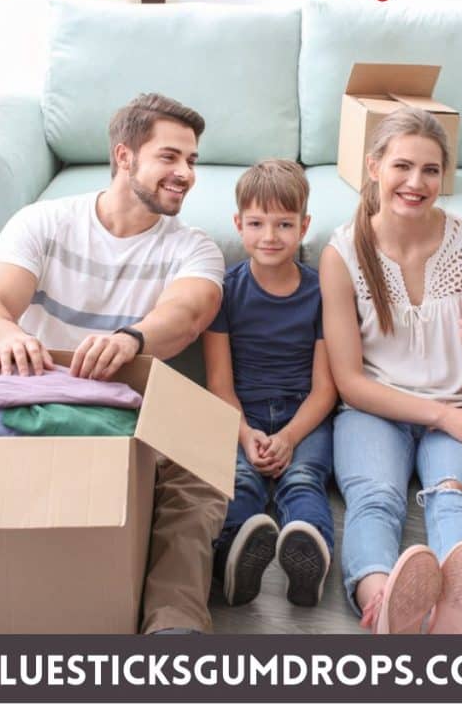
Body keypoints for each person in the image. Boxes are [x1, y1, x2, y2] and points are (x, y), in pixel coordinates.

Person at [0, 92, 228, 635]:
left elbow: (188, 312)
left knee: (198, 482)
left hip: (132, 408)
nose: (185, 173)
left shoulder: (194, 248)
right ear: (124, 156)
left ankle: (174, 631)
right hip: (36, 399)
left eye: (191, 161)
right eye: (170, 157)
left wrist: (134, 338)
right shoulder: (44, 222)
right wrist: (9, 336)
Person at [320, 106, 462, 635]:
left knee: (453, 495)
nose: (416, 182)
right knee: (376, 498)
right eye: (402, 166)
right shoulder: (342, 254)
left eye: (430, 170)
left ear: (443, 177)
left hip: (461, 409)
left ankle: (454, 610)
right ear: (374, 167)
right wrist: (443, 418)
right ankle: (382, 601)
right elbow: (351, 381)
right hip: (372, 409)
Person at [204, 160, 336, 608]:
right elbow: (220, 384)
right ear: (239, 225)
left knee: (303, 479)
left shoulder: (321, 293)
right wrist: (246, 434)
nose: (270, 236)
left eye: (284, 224)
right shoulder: (225, 292)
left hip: (305, 414)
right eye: (257, 223)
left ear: (304, 226)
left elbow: (325, 388)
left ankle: (309, 553)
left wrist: (289, 436)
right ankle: (235, 555)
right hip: (244, 412)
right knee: (241, 479)